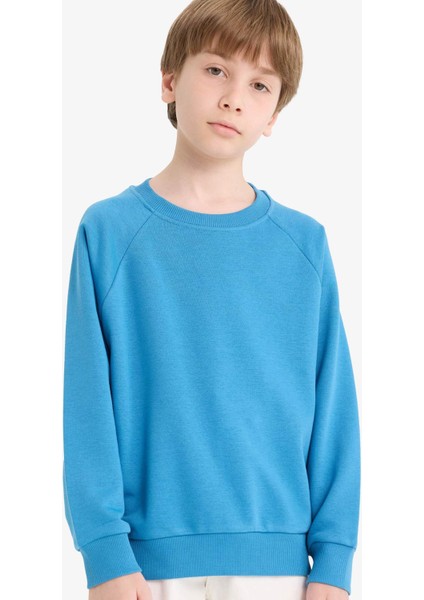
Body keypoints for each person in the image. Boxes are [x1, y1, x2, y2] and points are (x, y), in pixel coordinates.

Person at [62, 0, 361, 599]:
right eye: (217, 70)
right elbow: (87, 405)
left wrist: (334, 562)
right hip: (144, 570)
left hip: (278, 569)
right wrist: (105, 554)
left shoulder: (304, 244)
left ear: (274, 114)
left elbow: (334, 408)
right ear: (170, 81)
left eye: (259, 84)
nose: (233, 99)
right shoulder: (110, 233)